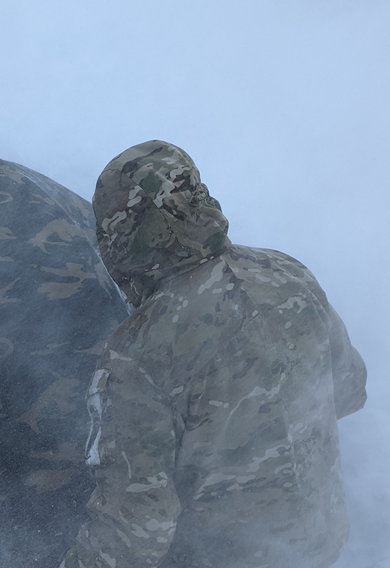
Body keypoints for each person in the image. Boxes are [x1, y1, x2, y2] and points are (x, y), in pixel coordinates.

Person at [61, 140, 367, 568]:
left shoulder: (137, 353)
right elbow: (351, 390)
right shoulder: (288, 273)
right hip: (318, 547)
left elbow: (135, 532)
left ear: (131, 236)